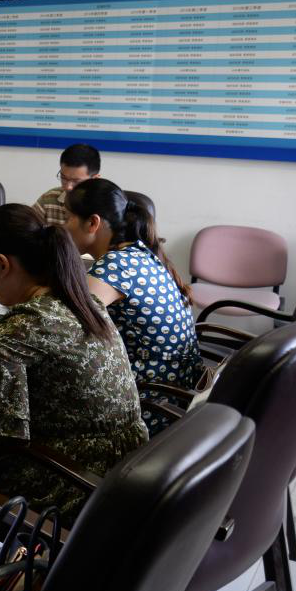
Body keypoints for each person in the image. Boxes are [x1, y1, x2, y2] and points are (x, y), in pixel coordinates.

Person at [0, 204, 146, 516]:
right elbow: (37, 342)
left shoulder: (35, 319)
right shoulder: (80, 300)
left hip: (70, 480)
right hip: (116, 469)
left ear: (2, 265)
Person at [65, 179, 199, 434]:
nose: (63, 226)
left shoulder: (114, 268)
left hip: (146, 406)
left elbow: (54, 325)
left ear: (93, 223)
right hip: (172, 398)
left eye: (68, 217)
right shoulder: (138, 253)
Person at [32, 143, 101, 226]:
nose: (68, 187)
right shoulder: (49, 199)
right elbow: (27, 227)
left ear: (95, 179)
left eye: (76, 181)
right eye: (63, 178)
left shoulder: (107, 207)